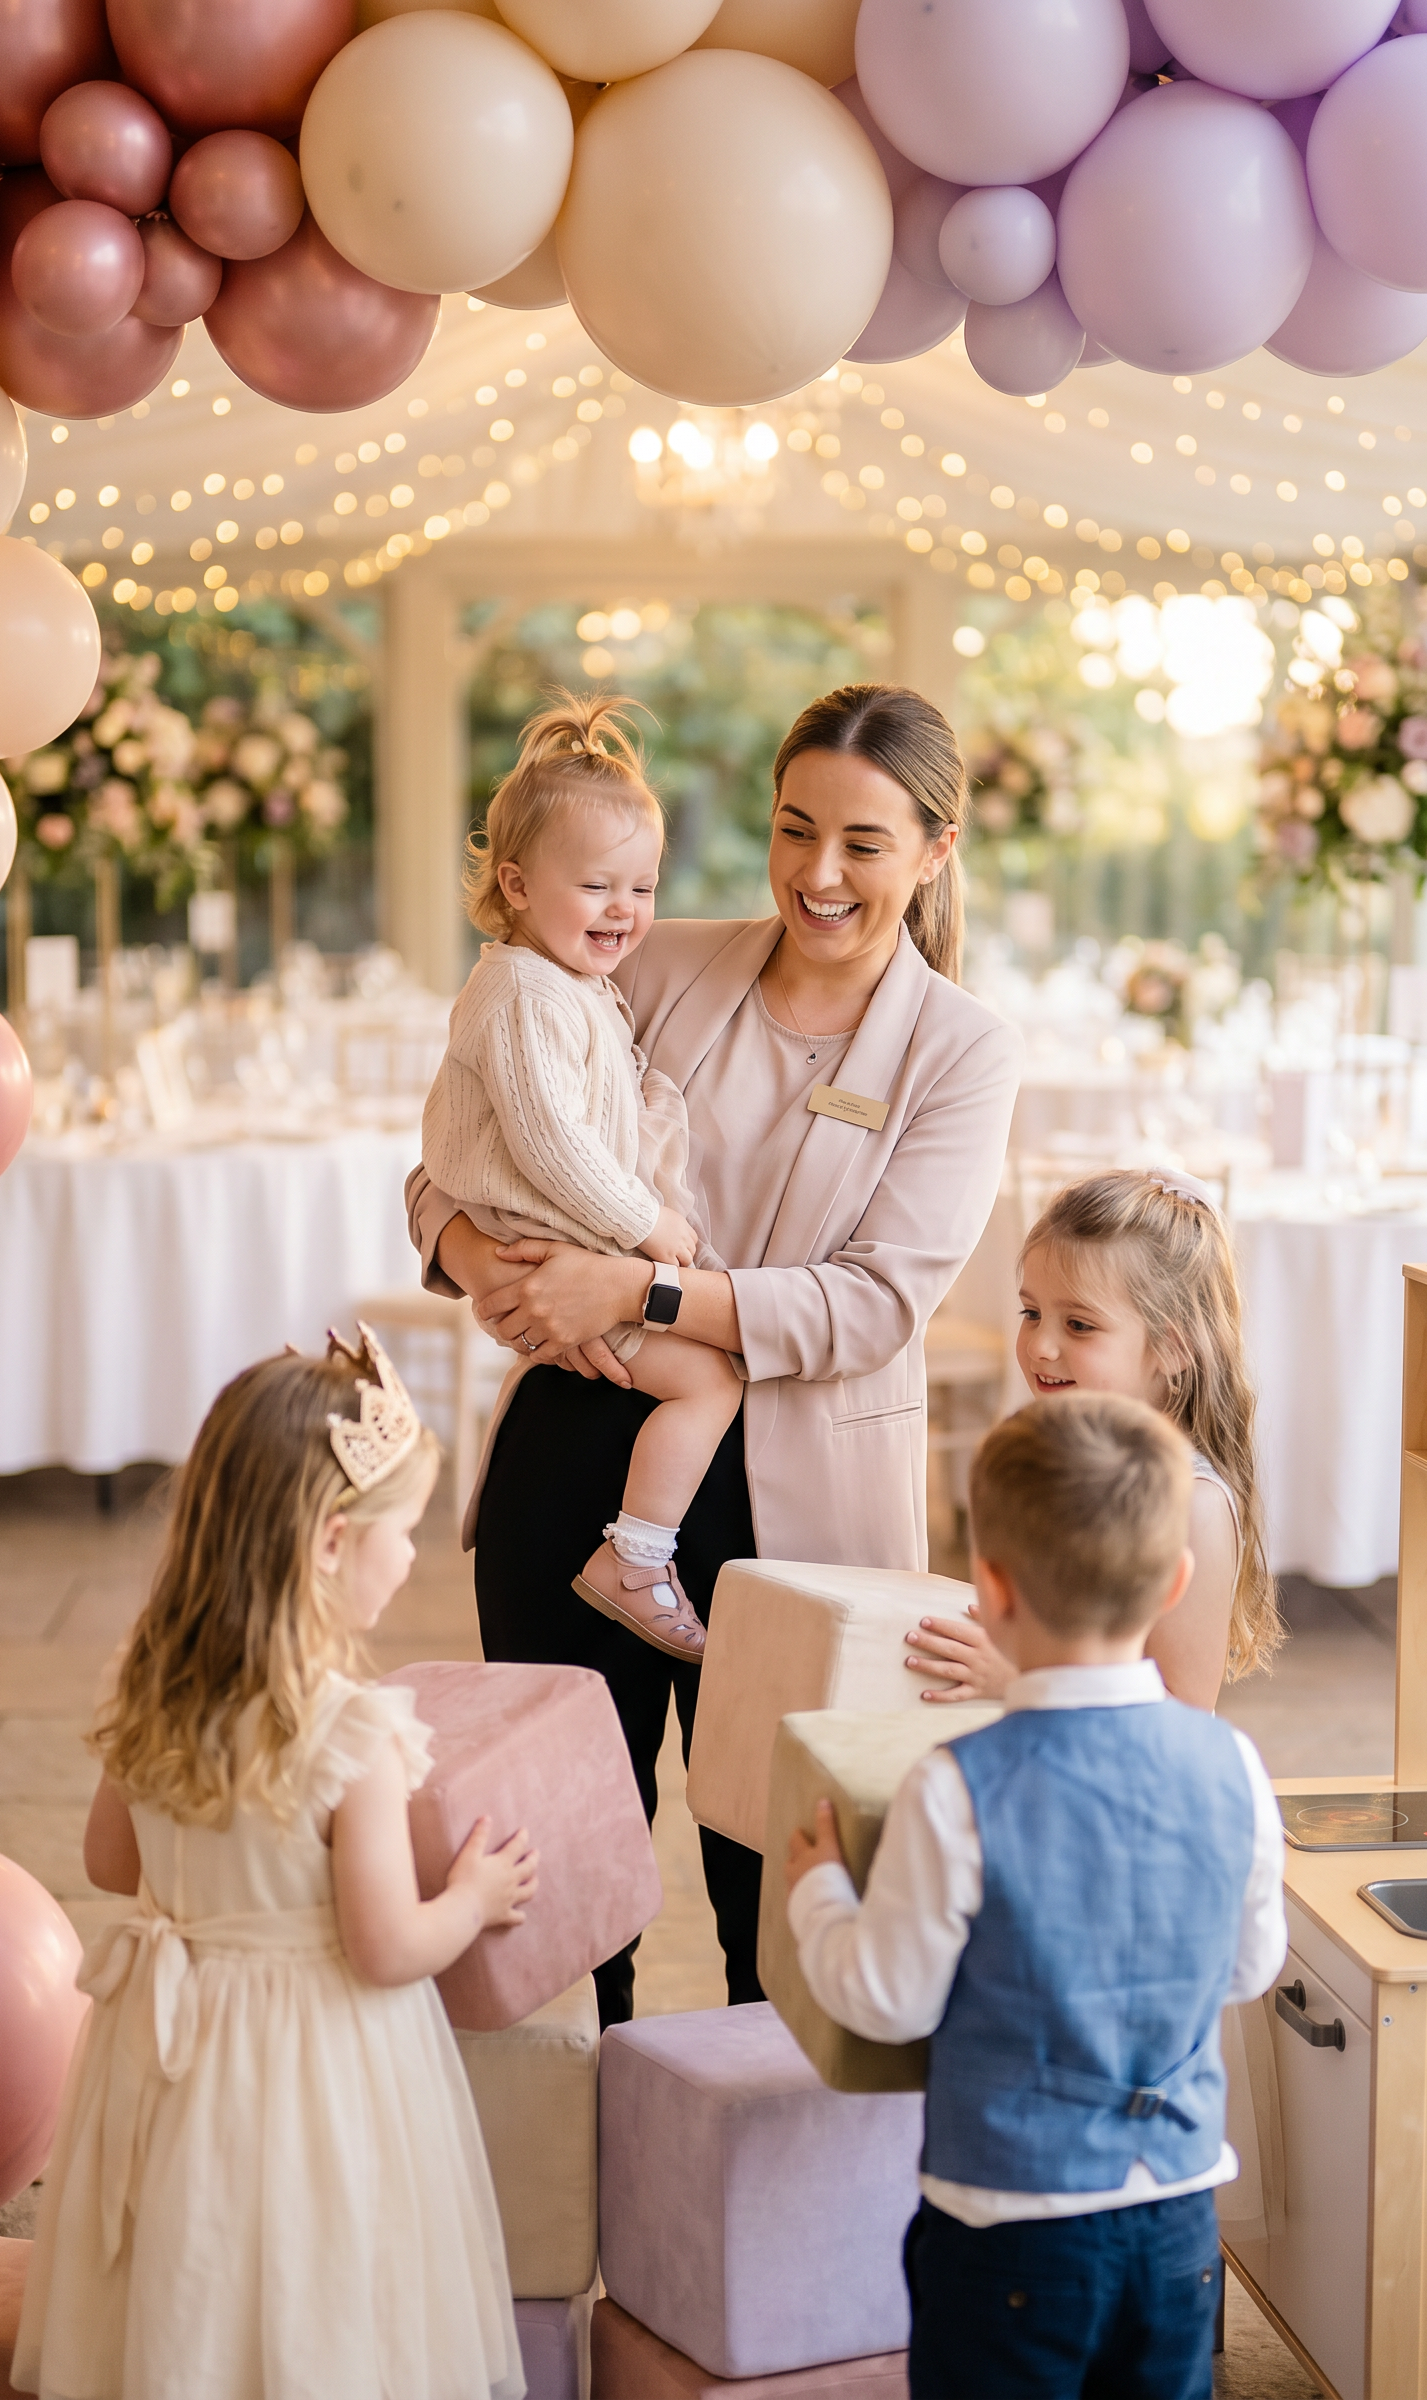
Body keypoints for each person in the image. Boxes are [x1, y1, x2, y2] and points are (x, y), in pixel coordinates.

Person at [407, 683, 1021, 2024]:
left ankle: (769, 2224)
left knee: (783, 1903)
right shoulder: (650, 957)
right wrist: (484, 1269)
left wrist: (639, 1287)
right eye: (795, 829)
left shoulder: (961, 1052)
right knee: (560, 1886)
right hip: (573, 1452)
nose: (819, 873)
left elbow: (872, 1307)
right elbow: (458, 1153)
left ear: (935, 851)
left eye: (863, 842)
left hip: (798, 1515)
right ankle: (567, 2207)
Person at [12, 1329, 538, 2400]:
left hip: (170, 2054)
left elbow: (109, 1863)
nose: (414, 1558)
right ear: (334, 1542)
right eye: (405, 1534)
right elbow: (388, 1946)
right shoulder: (353, 1732)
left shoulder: (150, 1686)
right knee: (310, 2278)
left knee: (188, 2270)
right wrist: (474, 1898)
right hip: (312, 2063)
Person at [785, 1394, 1286, 2400]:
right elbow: (1248, 1968)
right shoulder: (1233, 1765)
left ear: (991, 1590)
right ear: (1176, 1581)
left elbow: (887, 1999)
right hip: (1179, 2216)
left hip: (1009, 2218)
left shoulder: (957, 1785)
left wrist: (818, 1894)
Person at [421, 693, 741, 1660]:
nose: (625, 912)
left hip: (577, 1256)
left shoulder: (577, 986)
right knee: (710, 1382)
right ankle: (637, 1557)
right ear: (516, 885)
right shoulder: (522, 990)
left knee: (705, 1382)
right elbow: (555, 1140)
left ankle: (640, 1548)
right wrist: (648, 1225)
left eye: (641, 889)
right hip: (570, 1253)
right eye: (598, 887)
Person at [905, 1166, 1279, 1714]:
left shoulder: (1191, 1505)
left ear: (1172, 1349)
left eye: (1079, 1325)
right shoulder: (1046, 1453)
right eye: (1031, 1313)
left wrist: (1014, 1679)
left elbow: (1185, 1707)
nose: (1040, 1347)